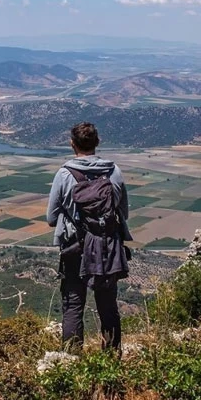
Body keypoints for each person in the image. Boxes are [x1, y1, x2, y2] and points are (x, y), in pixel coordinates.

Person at [46, 122, 131, 353]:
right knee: (108, 306)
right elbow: (123, 213)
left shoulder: (64, 174)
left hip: (75, 247)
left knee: (73, 305)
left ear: (72, 144)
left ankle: (72, 361)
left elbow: (51, 218)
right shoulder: (114, 172)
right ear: (97, 143)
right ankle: (111, 360)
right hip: (107, 248)